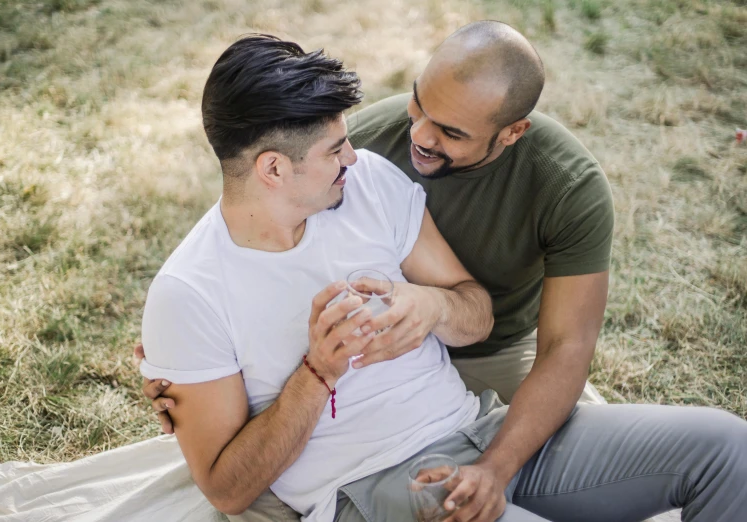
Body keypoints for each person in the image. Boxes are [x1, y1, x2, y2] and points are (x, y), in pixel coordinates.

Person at [137, 33, 747, 522]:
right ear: (272, 168)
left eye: (346, 143)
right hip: (378, 486)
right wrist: (316, 372)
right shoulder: (191, 293)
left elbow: (476, 309)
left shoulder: (367, 179)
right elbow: (227, 490)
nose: (356, 155)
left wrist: (430, 305)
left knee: (727, 449)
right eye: (334, 150)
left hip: (477, 427)